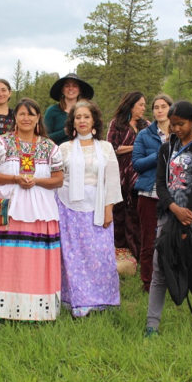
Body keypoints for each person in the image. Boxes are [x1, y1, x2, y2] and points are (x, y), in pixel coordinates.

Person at [0, 98, 64, 322]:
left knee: (33, 259)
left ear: (38, 118)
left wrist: (36, 181)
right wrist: (15, 178)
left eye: (31, 114)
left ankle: (36, 311)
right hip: (5, 207)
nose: (26, 118)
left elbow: (59, 179)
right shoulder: (1, 143)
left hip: (39, 210)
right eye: (22, 114)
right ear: (15, 117)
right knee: (2, 257)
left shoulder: (49, 146)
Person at [145, 101, 192, 336]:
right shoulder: (166, 148)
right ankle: (152, 324)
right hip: (168, 216)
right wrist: (174, 208)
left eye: (180, 124)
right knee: (160, 268)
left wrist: (188, 213)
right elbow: (160, 184)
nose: (175, 129)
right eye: (172, 125)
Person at [56, 100, 122, 317]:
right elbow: (57, 178)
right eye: (78, 117)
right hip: (68, 208)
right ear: (72, 122)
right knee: (73, 256)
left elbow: (112, 180)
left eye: (86, 116)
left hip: (97, 205)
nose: (82, 121)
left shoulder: (105, 147)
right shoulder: (64, 149)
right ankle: (77, 301)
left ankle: (101, 300)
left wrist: (108, 209)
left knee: (99, 255)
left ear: (94, 120)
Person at [132, 93, 173, 291]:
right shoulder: (144, 135)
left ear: (171, 109)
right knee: (148, 240)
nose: (159, 110)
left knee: (171, 239)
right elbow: (137, 164)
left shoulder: (180, 132)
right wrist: (159, 154)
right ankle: (148, 282)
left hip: (174, 194)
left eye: (163, 106)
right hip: (149, 193)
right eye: (156, 107)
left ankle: (170, 278)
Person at [107, 92, 148, 260]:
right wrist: (135, 146)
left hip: (141, 174)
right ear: (131, 105)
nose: (143, 108)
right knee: (120, 212)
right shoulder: (117, 124)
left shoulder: (146, 125)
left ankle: (138, 252)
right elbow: (112, 148)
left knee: (137, 213)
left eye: (145, 105)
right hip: (120, 174)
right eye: (141, 105)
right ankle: (120, 251)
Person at [44, 73, 94, 145]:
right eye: (67, 86)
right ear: (62, 90)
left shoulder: (88, 111)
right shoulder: (52, 111)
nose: (71, 88)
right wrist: (65, 131)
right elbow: (44, 138)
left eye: (75, 86)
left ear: (80, 90)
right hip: (58, 154)